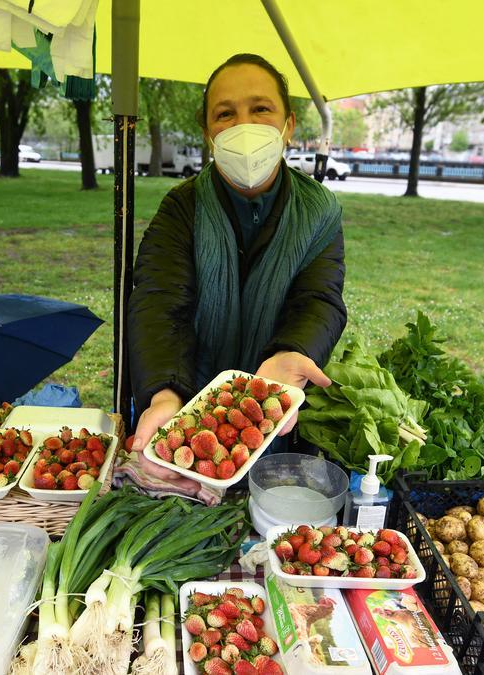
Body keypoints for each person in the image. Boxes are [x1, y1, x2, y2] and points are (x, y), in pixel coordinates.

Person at [126, 53, 347, 488]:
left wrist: (292, 353)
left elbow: (318, 298)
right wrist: (165, 393)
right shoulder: (182, 207)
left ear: (289, 125)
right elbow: (158, 302)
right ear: (208, 132)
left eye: (261, 109)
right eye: (225, 114)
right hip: (186, 413)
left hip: (272, 414)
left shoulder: (319, 210)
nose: (243, 126)